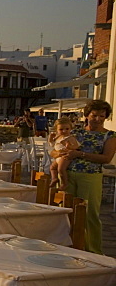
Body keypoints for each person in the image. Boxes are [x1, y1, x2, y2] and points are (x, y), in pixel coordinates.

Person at [52, 100, 116, 254]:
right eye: (94, 115)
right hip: (68, 174)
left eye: (102, 116)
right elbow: (54, 152)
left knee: (89, 214)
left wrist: (79, 154)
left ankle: (93, 251)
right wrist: (59, 154)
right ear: (87, 115)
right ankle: (69, 248)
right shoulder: (76, 132)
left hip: (90, 176)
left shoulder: (110, 135)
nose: (98, 119)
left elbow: (107, 158)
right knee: (66, 212)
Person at [47, 117, 80, 190]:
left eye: (67, 129)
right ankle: (54, 178)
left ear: (70, 128)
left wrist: (70, 147)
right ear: (57, 130)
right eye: (61, 129)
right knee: (52, 167)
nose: (64, 131)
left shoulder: (70, 137)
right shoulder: (58, 137)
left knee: (61, 169)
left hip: (65, 156)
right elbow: (52, 145)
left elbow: (76, 146)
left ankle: (65, 183)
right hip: (58, 156)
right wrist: (50, 139)